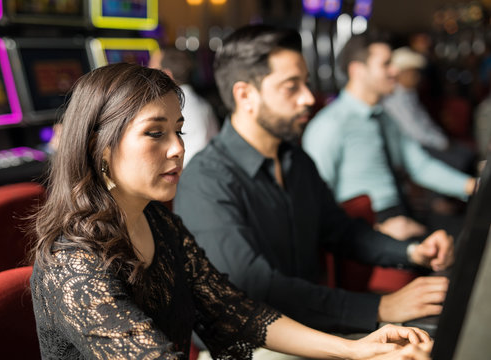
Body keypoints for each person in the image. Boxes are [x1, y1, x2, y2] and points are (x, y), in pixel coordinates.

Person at [29, 62, 432, 359]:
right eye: (155, 133)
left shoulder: (159, 223)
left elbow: (236, 311)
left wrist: (354, 349)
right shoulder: (73, 264)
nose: (177, 148)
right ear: (100, 147)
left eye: (178, 130)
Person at [174, 24, 452, 352]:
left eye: (305, 83)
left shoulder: (296, 159)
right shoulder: (206, 180)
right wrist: (379, 307)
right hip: (247, 344)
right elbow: (258, 290)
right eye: (292, 87)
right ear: (245, 95)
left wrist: (410, 251)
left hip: (313, 327)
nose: (308, 97)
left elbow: (342, 232)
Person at [302, 34, 477, 240]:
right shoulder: (330, 124)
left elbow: (420, 166)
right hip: (366, 224)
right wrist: (375, 230)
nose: (395, 71)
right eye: (386, 65)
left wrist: (473, 186)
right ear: (358, 70)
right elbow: (315, 200)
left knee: (475, 236)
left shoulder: (385, 117)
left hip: (403, 211)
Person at [382, 46, 475, 174]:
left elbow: (424, 123)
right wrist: (441, 142)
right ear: (402, 73)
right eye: (413, 72)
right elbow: (415, 131)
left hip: (429, 144)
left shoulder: (408, 94)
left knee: (468, 156)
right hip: (421, 149)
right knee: (464, 162)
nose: (417, 77)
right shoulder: (396, 98)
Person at [149, 46, 219, 167]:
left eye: (152, 70)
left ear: (167, 75)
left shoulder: (171, 108)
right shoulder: (201, 104)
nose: (147, 77)